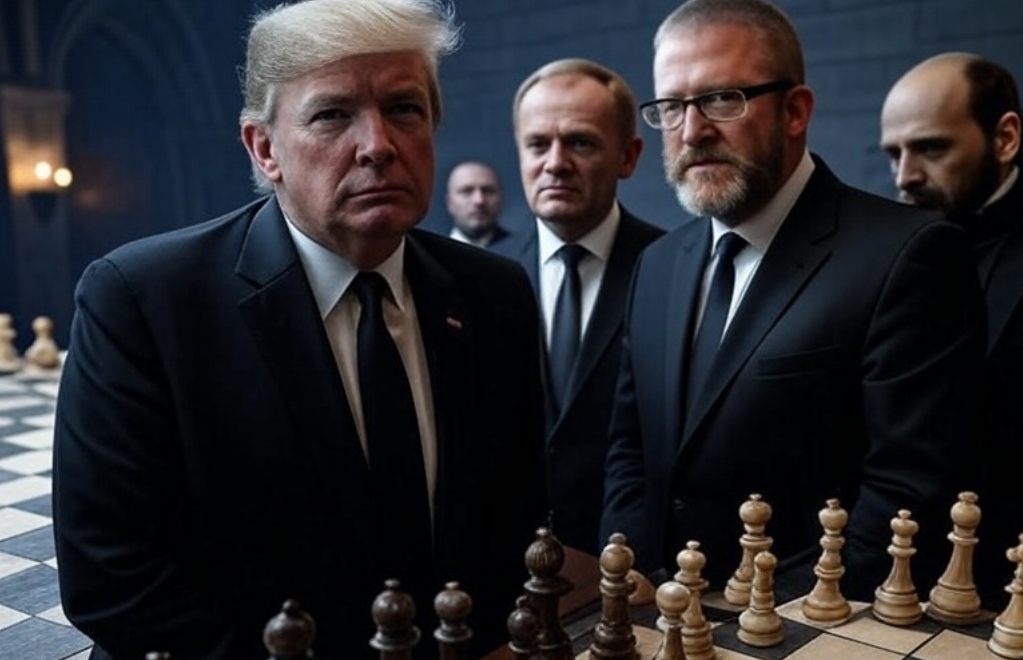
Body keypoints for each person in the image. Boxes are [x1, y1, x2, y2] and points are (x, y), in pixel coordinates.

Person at [51, 1, 548, 659]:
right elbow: (112, 578)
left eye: (403, 108)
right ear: (265, 149)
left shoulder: (493, 293)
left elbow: (513, 519)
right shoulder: (144, 301)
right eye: (332, 114)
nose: (378, 145)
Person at [600, 0, 986, 603]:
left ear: (796, 111)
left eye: (722, 99)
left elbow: (907, 489)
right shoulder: (656, 264)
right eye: (671, 106)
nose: (692, 130)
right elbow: (630, 449)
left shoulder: (908, 255)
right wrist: (630, 571)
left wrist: (763, 623)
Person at [494, 58, 663, 556]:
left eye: (581, 143)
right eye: (537, 144)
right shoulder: (485, 280)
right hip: (514, 563)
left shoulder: (670, 271)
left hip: (635, 562)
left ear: (628, 156)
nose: (555, 163)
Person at [880, 52, 1023, 607]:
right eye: (894, 154)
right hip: (896, 575)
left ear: (1005, 138)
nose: (905, 177)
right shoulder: (888, 245)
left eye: (932, 149)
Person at [443, 160, 512, 248]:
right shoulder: (431, 250)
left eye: (487, 191)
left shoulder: (523, 250)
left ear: (501, 198)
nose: (479, 200)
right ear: (449, 202)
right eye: (467, 191)